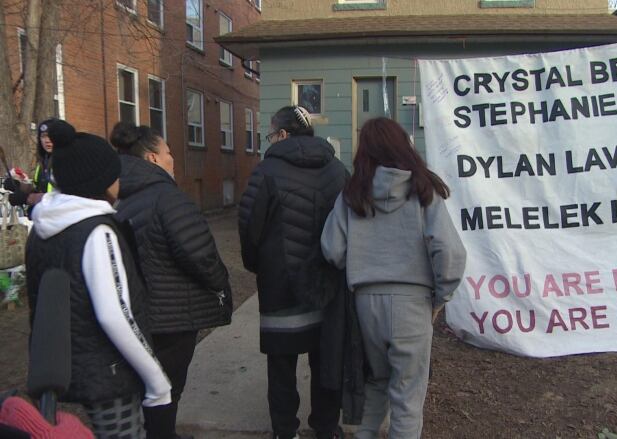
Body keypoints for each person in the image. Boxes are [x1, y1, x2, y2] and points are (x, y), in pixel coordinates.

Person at [320, 117, 467, 439]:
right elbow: (450, 253)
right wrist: (441, 297)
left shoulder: (352, 193)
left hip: (366, 300)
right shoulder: (424, 189)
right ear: (403, 145)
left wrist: (363, 260)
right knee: (407, 393)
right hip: (412, 302)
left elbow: (332, 249)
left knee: (378, 380)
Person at [24, 120, 172, 439]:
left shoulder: (41, 229)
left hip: (59, 366)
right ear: (101, 181)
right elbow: (114, 314)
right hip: (109, 375)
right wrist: (156, 379)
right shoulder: (98, 231)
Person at [110, 122, 233, 439]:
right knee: (166, 390)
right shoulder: (168, 198)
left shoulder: (120, 199)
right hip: (174, 317)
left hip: (138, 313)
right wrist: (220, 284)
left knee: (149, 388)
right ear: (152, 158)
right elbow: (200, 255)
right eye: (168, 152)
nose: (172, 159)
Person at [238, 106, 348, 439]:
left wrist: (258, 265)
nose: (268, 141)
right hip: (327, 281)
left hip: (280, 282)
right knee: (326, 356)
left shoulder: (266, 171)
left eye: (270, 134)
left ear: (284, 134)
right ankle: (326, 428)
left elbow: (249, 226)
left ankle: (285, 431)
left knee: (281, 361)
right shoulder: (338, 170)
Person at [3, 119, 58, 212]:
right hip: (45, 216)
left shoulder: (66, 162)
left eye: (52, 136)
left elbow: (62, 198)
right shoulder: (43, 162)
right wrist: (19, 186)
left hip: (60, 218)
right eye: (44, 136)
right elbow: (38, 189)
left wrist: (28, 198)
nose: (47, 140)